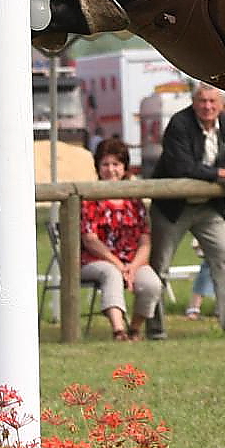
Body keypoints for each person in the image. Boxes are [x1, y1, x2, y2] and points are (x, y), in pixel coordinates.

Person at [146, 83, 225, 337]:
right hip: (172, 207)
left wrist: (221, 173)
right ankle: (155, 328)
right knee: (160, 267)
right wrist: (218, 173)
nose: (208, 107)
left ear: (221, 104)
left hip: (208, 207)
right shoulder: (179, 125)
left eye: (213, 101)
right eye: (202, 101)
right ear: (194, 102)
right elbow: (180, 165)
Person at [79, 138, 162, 341]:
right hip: (95, 261)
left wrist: (132, 267)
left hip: (132, 260)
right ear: (98, 167)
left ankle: (134, 329)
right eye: (105, 164)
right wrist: (119, 265)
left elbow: (145, 240)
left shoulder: (134, 200)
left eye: (116, 164)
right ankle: (118, 330)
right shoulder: (90, 199)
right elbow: (90, 240)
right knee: (111, 273)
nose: (111, 170)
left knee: (151, 283)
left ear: (124, 168)